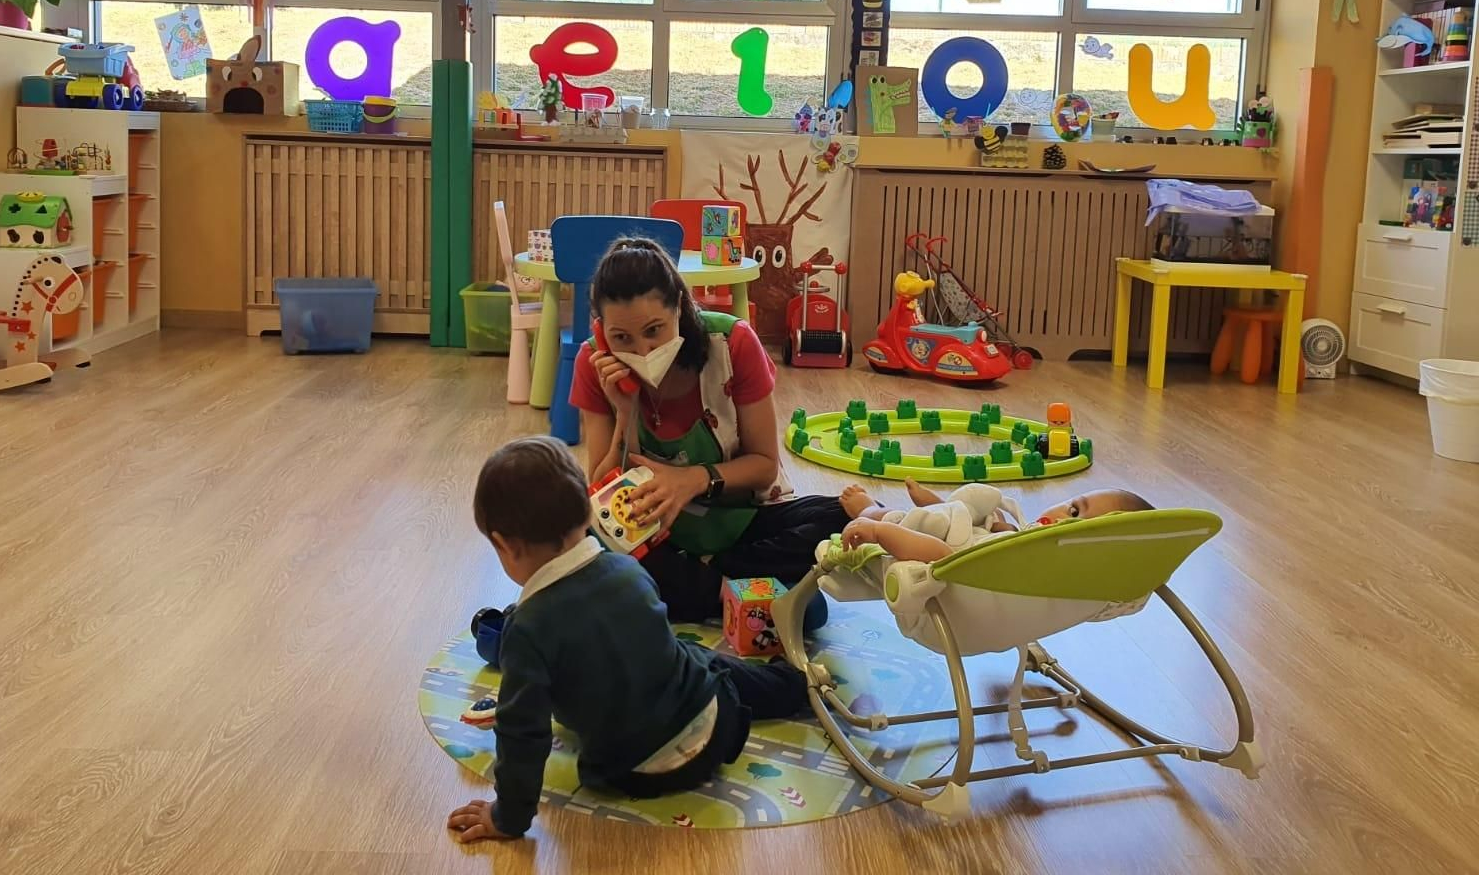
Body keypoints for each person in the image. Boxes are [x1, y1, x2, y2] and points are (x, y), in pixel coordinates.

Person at [446, 437, 809, 843]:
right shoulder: (626, 569)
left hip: (637, 771)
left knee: (674, 664)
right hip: (716, 728)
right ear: (588, 508)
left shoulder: (526, 630)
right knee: (698, 660)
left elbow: (521, 734)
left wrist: (507, 817)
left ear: (505, 544)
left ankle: (781, 687)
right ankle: (800, 687)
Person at [570, 238, 848, 621]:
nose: (643, 350)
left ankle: (699, 589)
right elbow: (602, 496)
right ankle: (737, 593)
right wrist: (624, 413)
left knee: (841, 518)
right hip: (657, 540)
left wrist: (692, 481)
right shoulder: (593, 362)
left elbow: (765, 465)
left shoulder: (732, 344)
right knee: (588, 536)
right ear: (602, 333)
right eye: (622, 338)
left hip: (741, 521)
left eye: (654, 330)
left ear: (679, 310)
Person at [840, 482, 1155, 563]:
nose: (1061, 514)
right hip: (969, 537)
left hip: (936, 547)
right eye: (1072, 507)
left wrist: (880, 531)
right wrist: (1003, 529)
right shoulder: (1049, 566)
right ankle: (940, 506)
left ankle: (867, 509)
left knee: (890, 518)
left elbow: (941, 556)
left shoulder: (1020, 558)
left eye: (1074, 517)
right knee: (986, 518)